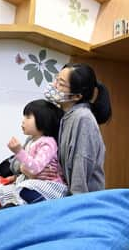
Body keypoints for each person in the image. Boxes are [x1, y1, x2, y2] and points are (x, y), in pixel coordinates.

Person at [0, 100, 67, 217]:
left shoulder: (48, 143)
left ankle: (11, 211)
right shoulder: (31, 141)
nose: (23, 121)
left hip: (47, 187)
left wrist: (18, 151)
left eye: (28, 117)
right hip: (29, 183)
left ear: (43, 120)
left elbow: (35, 169)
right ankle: (6, 210)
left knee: (25, 190)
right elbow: (27, 169)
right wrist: (22, 169)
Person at [43, 63, 111, 194]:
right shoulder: (65, 115)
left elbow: (81, 164)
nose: (54, 85)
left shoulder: (83, 118)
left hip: (82, 202)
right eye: (56, 79)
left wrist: (75, 205)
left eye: (61, 84)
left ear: (77, 96)